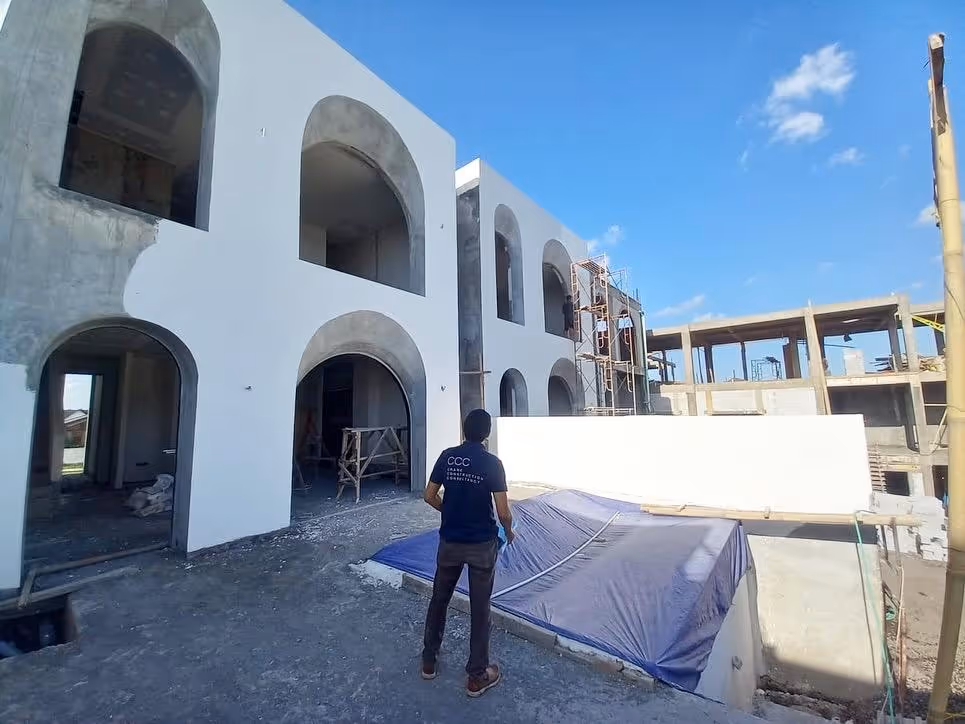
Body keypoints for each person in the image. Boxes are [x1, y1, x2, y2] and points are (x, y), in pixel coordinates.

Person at [421, 409, 514, 697]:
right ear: (486, 434)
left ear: (464, 430)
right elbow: (502, 511)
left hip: (450, 541)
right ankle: (476, 676)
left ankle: (428, 662)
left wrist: (447, 510)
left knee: (439, 599)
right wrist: (508, 532)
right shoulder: (492, 463)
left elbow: (428, 495)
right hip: (481, 546)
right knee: (479, 608)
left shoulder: (448, 456)